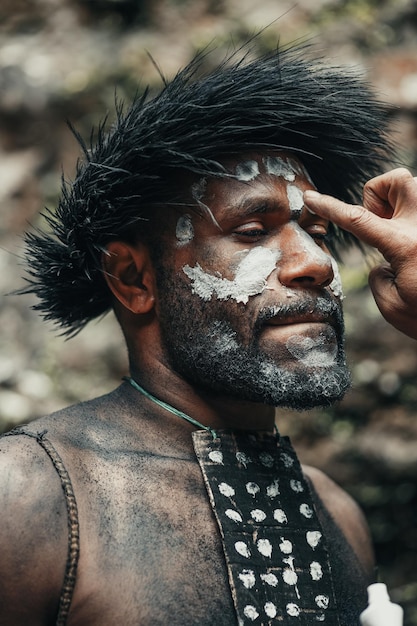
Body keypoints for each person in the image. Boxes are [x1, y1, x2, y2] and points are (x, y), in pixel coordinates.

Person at [0, 44, 416, 626]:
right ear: (133, 277)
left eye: (317, 230)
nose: (316, 263)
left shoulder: (337, 512)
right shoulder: (28, 494)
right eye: (252, 230)